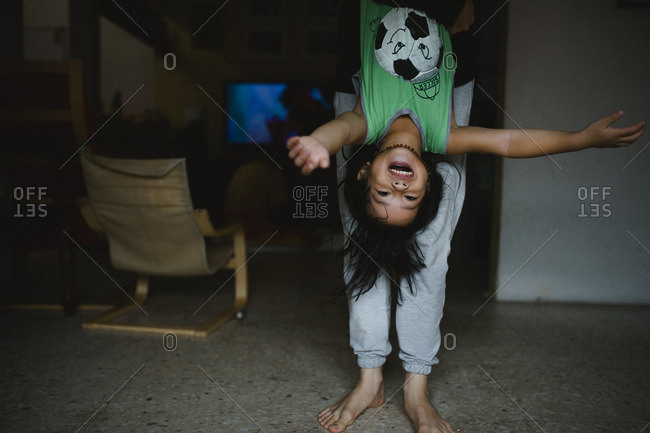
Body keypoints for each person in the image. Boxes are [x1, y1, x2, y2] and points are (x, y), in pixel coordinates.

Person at [287, 2, 645, 433]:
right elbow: (510, 142)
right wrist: (580, 140)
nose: (398, 190)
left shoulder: (367, 122)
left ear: (363, 171)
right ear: (429, 183)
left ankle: (412, 389)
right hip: (441, 27)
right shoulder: (445, 135)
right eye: (409, 199)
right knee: (383, 254)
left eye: (383, 193)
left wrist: (318, 143)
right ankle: (376, 381)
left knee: (393, 252)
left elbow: (341, 129)